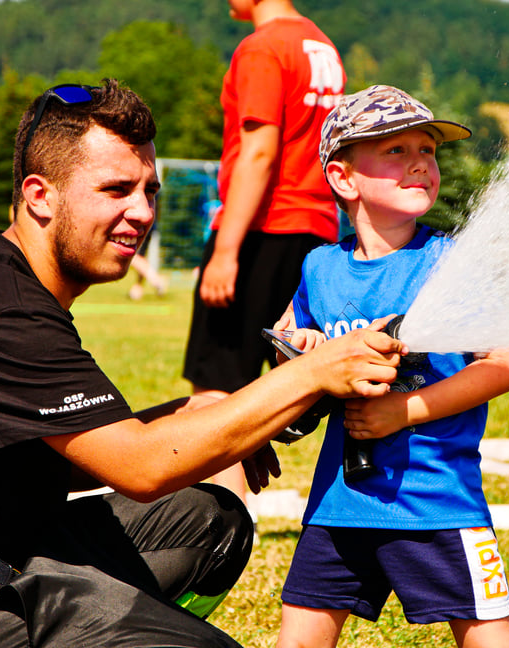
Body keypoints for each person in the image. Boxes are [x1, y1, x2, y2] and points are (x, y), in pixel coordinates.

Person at [0, 80, 404, 648]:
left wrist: (194, 413)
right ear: (39, 195)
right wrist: (311, 372)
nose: (142, 213)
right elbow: (144, 468)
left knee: (207, 522)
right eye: (116, 189)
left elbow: (41, 457)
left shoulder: (4, 279)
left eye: (151, 190)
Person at [274, 85, 509, 648]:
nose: (420, 163)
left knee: (485, 632)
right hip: (340, 499)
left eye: (428, 150)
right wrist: (302, 347)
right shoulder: (319, 267)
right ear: (343, 178)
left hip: (436, 500)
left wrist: (400, 411)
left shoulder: (452, 264)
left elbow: (504, 365)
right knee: (301, 628)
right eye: (395, 151)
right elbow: (285, 340)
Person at [182, 0, 346, 508]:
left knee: (216, 394)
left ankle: (210, 535)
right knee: (277, 389)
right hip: (315, 231)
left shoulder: (262, 47)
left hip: (263, 227)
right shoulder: (323, 47)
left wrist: (227, 248)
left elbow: (259, 150)